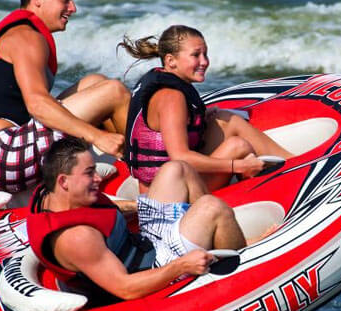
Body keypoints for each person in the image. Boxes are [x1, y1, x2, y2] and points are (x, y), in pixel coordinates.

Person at [26, 136, 257, 301]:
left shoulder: (52, 195)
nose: (98, 178)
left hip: (145, 243)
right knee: (212, 207)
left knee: (177, 169)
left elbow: (102, 212)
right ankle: (246, 264)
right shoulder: (77, 238)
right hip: (153, 268)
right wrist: (181, 265)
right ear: (64, 181)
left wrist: (138, 206)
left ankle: (220, 237)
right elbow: (126, 289)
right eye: (89, 173)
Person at [0, 0, 129, 193]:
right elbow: (37, 104)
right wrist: (97, 136)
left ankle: (126, 164)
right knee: (114, 92)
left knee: (94, 82)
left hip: (4, 150)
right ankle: (148, 168)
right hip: (5, 154)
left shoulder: (23, 32)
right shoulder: (26, 37)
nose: (73, 8)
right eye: (65, 0)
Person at [117, 25, 293, 192]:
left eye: (205, 54)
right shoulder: (171, 97)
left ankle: (293, 162)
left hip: (170, 180)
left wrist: (197, 116)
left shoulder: (164, 83)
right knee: (237, 146)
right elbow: (180, 157)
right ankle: (294, 169)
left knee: (225, 119)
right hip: (167, 193)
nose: (204, 62)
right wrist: (237, 165)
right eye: (196, 55)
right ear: (171, 61)